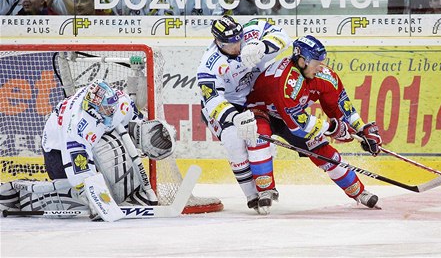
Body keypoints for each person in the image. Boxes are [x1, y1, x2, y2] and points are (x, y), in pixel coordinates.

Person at [245, 35, 382, 215]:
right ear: (302, 61)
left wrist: (361, 129)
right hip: (261, 111)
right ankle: (265, 190)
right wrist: (332, 129)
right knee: (259, 136)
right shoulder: (287, 81)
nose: (320, 67)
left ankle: (358, 192)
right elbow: (298, 126)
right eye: (316, 62)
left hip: (291, 115)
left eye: (321, 62)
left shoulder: (324, 76)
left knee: (320, 149)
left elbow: (343, 106)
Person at [16, 79, 174, 221]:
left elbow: (134, 125)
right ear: (91, 108)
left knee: (109, 147)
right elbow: (78, 168)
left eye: (111, 107)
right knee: (71, 195)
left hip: (87, 142)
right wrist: (92, 196)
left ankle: (128, 194)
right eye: (105, 110)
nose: (110, 112)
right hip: (56, 151)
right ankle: (25, 195)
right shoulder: (78, 126)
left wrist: (147, 135)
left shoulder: (120, 102)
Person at [196, 15, 291, 213]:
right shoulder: (209, 64)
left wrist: (263, 46)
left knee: (259, 139)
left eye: (239, 38)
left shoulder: (251, 32)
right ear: (218, 42)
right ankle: (251, 196)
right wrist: (234, 117)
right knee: (234, 142)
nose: (238, 45)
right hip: (228, 106)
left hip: (255, 96)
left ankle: (266, 185)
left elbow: (283, 36)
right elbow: (212, 100)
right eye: (231, 43)